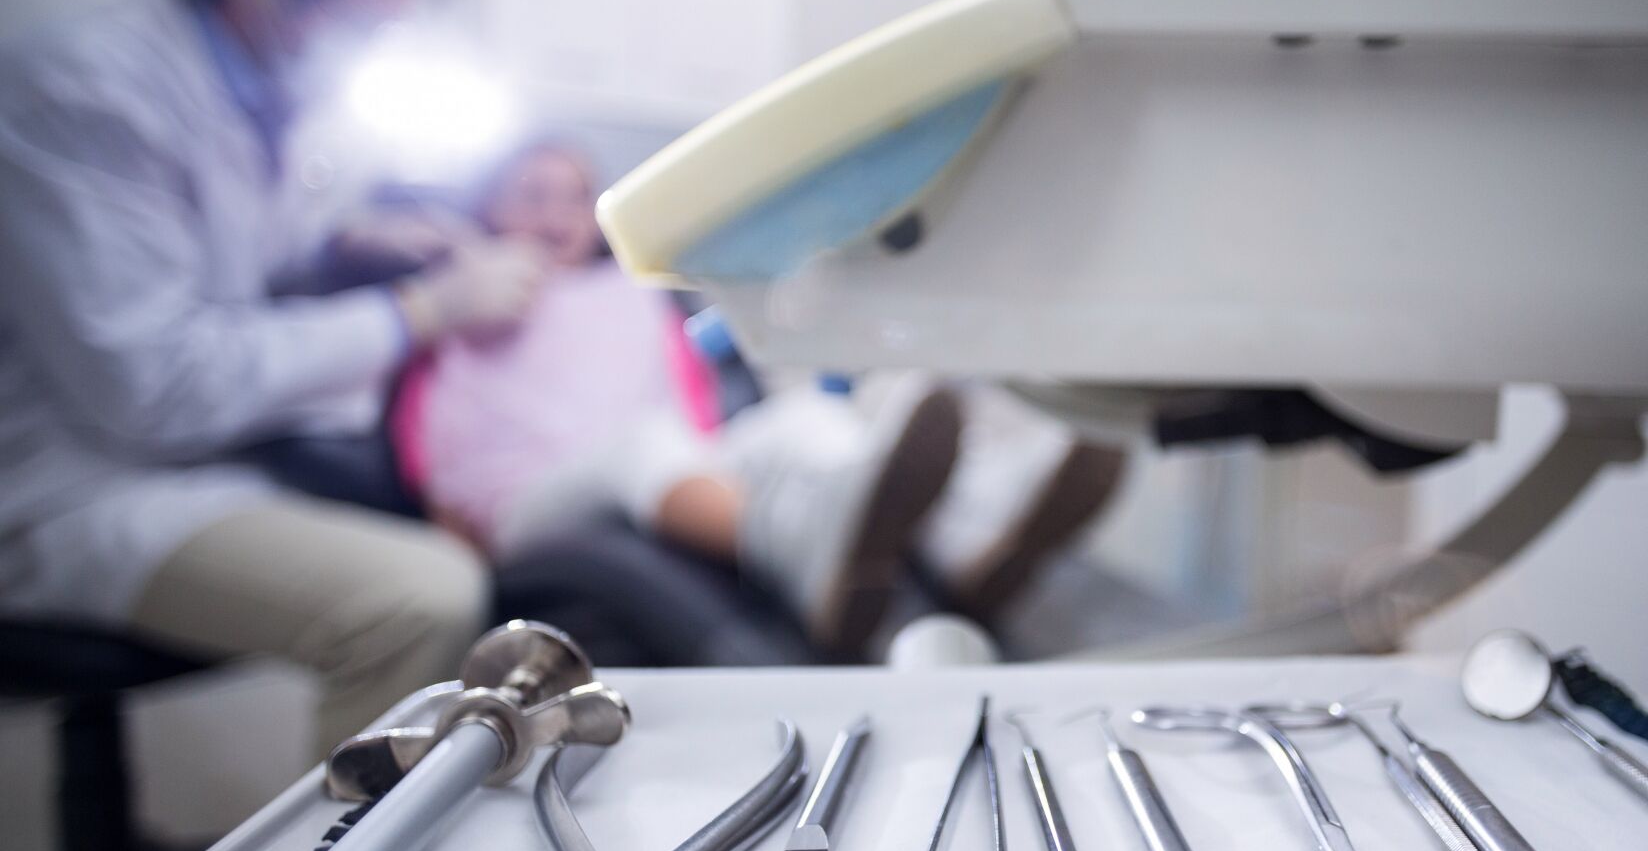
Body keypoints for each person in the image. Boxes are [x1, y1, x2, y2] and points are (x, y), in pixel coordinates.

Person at [0, 0, 543, 754]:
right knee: (421, 597)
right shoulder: (80, 91)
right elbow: (155, 384)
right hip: (80, 490)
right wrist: (421, 309)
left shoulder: (259, 82)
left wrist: (347, 238)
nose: (371, 50)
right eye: (365, 22)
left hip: (210, 454)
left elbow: (212, 254)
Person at [394, 140, 1130, 653]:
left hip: (669, 465)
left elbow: (701, 408)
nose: (558, 214)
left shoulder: (634, 296)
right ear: (486, 208)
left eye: (576, 196)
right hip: (535, 508)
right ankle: (815, 556)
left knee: (804, 417)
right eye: (531, 195)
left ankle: (979, 535)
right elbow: (423, 452)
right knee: (645, 443)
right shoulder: (457, 305)